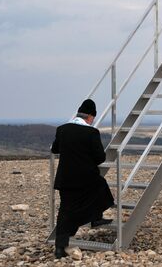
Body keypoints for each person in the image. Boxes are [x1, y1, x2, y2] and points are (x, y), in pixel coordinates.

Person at [51, 99, 114, 258]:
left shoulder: (62, 129)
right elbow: (100, 158)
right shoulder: (92, 133)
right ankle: (96, 218)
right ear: (91, 117)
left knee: (65, 211)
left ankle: (60, 248)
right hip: (86, 179)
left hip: (65, 179)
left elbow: (55, 149)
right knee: (101, 186)